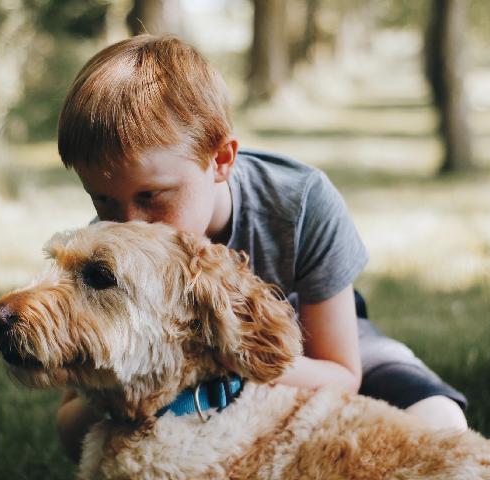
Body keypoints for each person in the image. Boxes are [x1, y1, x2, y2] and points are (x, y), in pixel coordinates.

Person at [54, 34, 468, 462]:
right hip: (174, 380)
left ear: (220, 160)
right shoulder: (107, 256)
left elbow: (342, 373)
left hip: (313, 344)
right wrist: (121, 382)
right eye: (103, 200)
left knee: (441, 419)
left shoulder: (299, 203)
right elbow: (70, 429)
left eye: (152, 197)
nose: (128, 224)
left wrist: (226, 359)